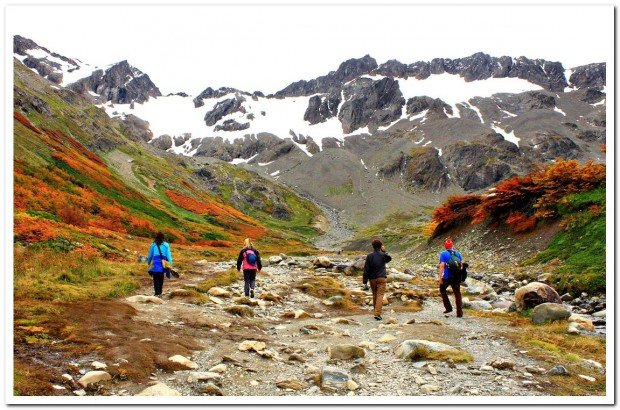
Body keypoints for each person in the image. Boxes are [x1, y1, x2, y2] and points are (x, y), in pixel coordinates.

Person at [363, 239, 392, 321]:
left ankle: (376, 312)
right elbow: (389, 259)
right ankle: (377, 313)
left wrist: (364, 282)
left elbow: (366, 269)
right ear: (380, 246)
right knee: (380, 295)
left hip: (372, 279)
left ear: (373, 246)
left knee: (375, 295)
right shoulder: (383, 255)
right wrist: (384, 251)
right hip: (382, 278)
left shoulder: (369, 256)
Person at [438, 238, 464, 317]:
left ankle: (448, 308)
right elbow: (462, 265)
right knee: (457, 293)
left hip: (447, 276)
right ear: (452, 245)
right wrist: (461, 276)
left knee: (442, 289)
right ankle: (459, 313)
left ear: (445, 246)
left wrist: (440, 277)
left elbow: (442, 266)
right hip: (456, 277)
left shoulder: (443, 254)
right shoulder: (458, 253)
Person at [147, 232, 173, 297]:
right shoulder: (166, 245)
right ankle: (160, 293)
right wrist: (170, 264)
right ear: (163, 238)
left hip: (155, 263)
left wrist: (148, 262)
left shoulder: (153, 244)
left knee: (155, 278)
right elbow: (169, 255)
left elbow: (150, 255)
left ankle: (156, 293)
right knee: (161, 278)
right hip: (162, 263)